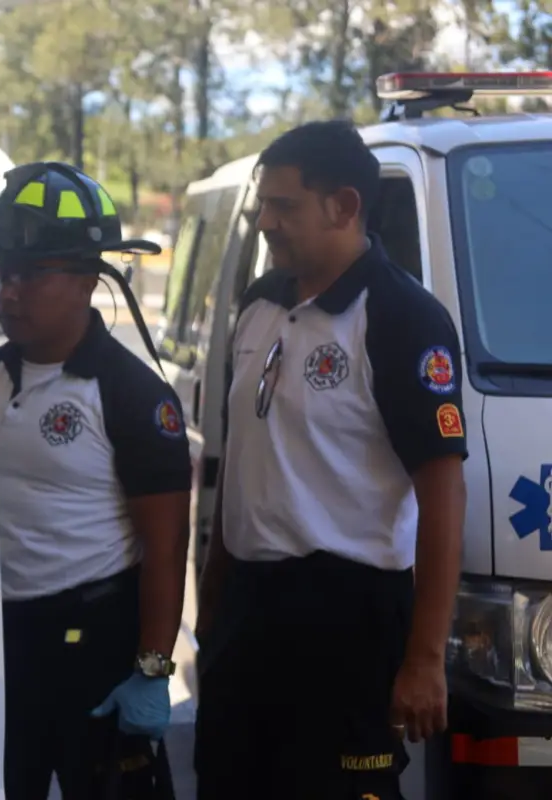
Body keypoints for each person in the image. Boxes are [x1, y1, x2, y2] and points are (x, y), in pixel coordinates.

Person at [193, 120, 468, 799]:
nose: (264, 222)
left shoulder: (403, 317)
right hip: (249, 610)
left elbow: (443, 493)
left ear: (343, 207)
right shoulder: (258, 307)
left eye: (283, 206)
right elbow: (247, 469)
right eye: (264, 205)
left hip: (349, 619)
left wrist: (426, 659)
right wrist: (214, 604)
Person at [0, 162, 193, 799]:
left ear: (90, 280)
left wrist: (151, 670)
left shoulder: (129, 395)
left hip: (97, 651)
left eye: (32, 275)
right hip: (2, 647)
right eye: (3, 274)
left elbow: (166, 549)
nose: (10, 293)